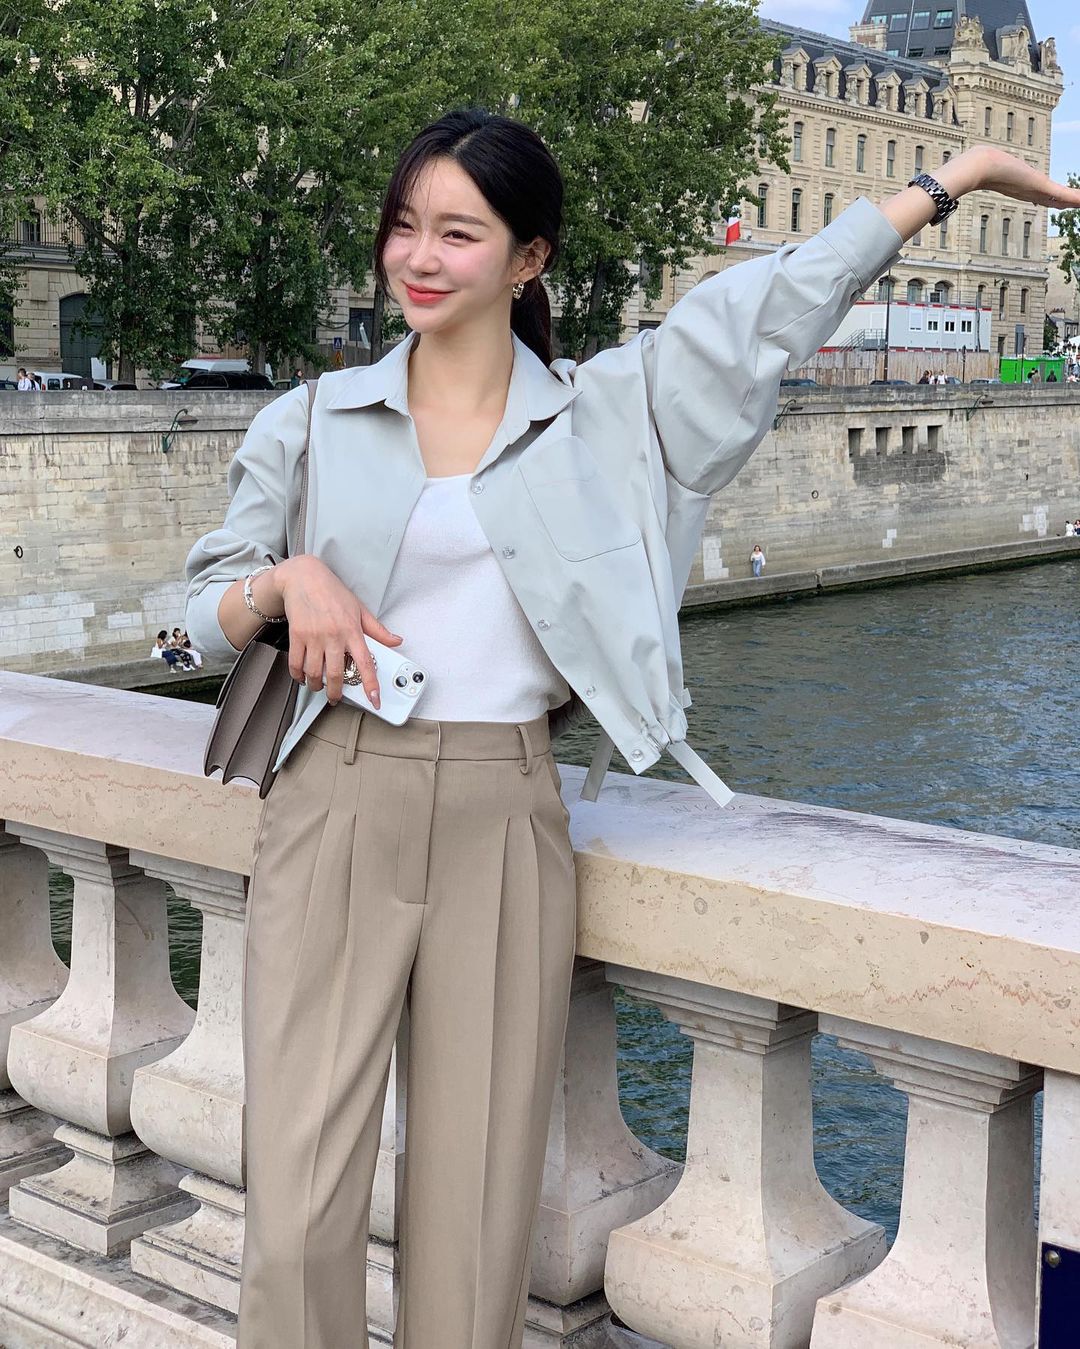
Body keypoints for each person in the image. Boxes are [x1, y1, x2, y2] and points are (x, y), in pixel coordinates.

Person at [182, 109, 1080, 1349]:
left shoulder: (607, 415)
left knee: (478, 1204)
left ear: (530, 257)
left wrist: (956, 176)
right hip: (331, 790)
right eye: (404, 227)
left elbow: (773, 305)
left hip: (505, 807)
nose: (419, 258)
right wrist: (284, 582)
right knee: (294, 1196)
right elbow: (190, 619)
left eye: (458, 232)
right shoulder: (312, 418)